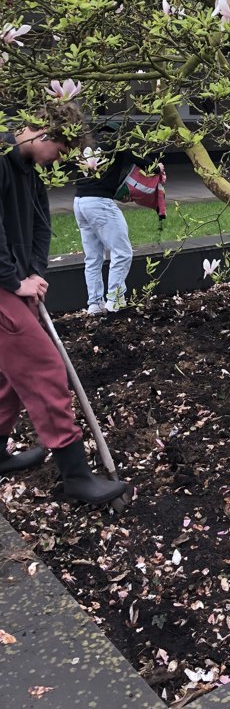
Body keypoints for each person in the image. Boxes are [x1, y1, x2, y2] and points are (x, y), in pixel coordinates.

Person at [0, 103, 128, 504]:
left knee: (9, 378)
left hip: (15, 285)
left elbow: (41, 224)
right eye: (62, 145)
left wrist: (35, 273)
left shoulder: (29, 176)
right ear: (40, 130)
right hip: (2, 288)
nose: (64, 155)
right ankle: (75, 477)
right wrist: (12, 280)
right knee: (44, 370)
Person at [74, 122, 164, 314]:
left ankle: (94, 304)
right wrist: (158, 168)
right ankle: (114, 301)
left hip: (79, 203)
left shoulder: (87, 147)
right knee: (122, 252)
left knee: (93, 258)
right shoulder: (117, 143)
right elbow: (145, 164)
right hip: (99, 203)